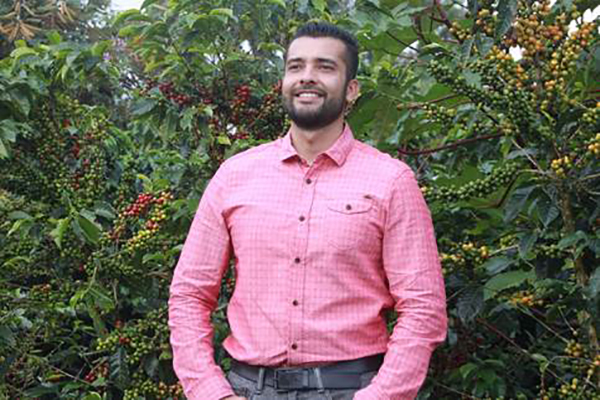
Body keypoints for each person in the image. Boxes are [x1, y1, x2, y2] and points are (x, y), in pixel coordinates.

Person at [168, 22, 447, 400]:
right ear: (283, 81)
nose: (307, 77)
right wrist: (210, 393)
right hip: (247, 390)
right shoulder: (234, 176)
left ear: (351, 90)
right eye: (296, 66)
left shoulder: (392, 181)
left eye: (325, 67)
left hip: (353, 389)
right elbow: (189, 295)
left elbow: (423, 308)